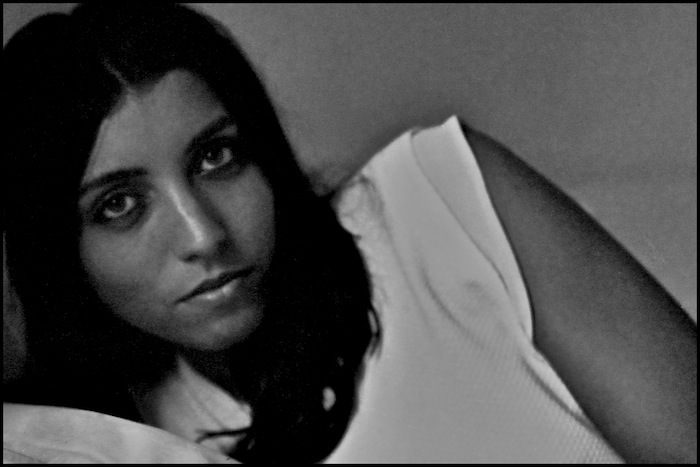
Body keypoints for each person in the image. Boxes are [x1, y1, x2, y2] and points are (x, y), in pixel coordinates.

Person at [2, 4, 696, 464]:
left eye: (216, 157)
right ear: (59, 252)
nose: (203, 234)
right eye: (121, 204)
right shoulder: (109, 440)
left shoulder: (440, 199)